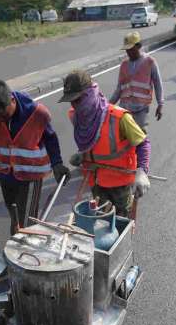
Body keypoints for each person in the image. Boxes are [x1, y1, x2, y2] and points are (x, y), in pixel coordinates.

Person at [0, 79, 70, 234]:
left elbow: (51, 139)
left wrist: (57, 164)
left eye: (4, 115)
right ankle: (18, 240)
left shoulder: (37, 112)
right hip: (6, 176)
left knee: (26, 223)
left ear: (12, 100)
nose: (1, 120)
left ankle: (24, 252)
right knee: (16, 218)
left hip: (31, 176)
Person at [60, 70, 149, 218]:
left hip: (120, 184)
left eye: (78, 99)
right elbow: (92, 142)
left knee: (119, 226)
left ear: (89, 94)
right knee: (99, 225)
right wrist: (82, 155)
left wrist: (142, 171)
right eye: (71, 101)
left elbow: (143, 143)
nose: (74, 105)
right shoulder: (77, 116)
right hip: (96, 183)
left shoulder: (119, 118)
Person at [109, 31, 163, 187]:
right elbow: (119, 88)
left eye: (131, 49)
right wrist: (109, 105)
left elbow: (158, 84)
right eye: (126, 50)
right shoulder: (124, 65)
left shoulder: (150, 62)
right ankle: (126, 164)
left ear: (139, 46)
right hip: (124, 108)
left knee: (139, 138)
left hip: (141, 108)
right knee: (123, 138)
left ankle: (141, 169)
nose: (128, 52)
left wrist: (161, 103)